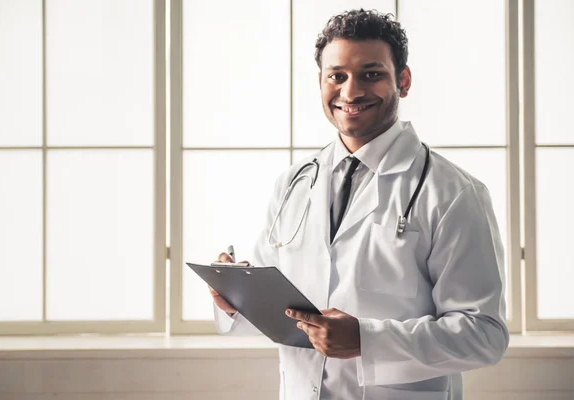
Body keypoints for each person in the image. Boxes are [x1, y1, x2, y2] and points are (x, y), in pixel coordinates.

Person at [210, 9, 508, 400]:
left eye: (371, 74)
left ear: (403, 80)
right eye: (337, 76)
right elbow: (283, 310)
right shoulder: (293, 184)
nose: (350, 92)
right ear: (320, 82)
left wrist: (367, 339)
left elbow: (483, 334)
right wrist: (237, 301)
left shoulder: (453, 192)